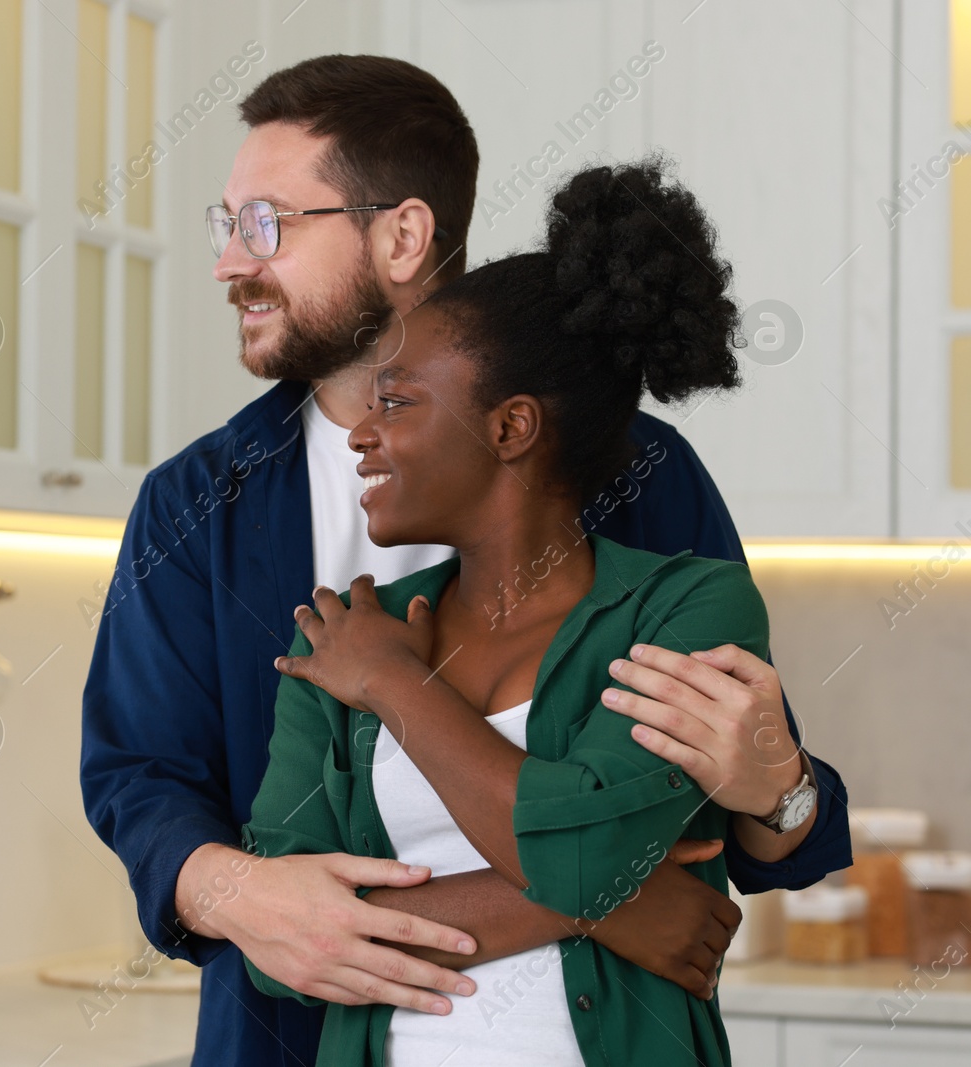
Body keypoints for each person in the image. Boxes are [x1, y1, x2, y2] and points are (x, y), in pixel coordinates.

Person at [80, 54, 851, 1067]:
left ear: (401, 235)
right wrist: (591, 899)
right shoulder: (194, 505)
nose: (230, 263)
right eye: (225, 227)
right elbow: (140, 778)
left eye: (264, 224)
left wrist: (780, 791)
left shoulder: (640, 476)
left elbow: (739, 788)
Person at [247, 155, 765, 1067]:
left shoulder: (684, 606)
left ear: (510, 427)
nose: (362, 431)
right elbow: (280, 951)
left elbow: (583, 859)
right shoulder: (336, 632)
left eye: (397, 401)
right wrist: (605, 895)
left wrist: (395, 683)